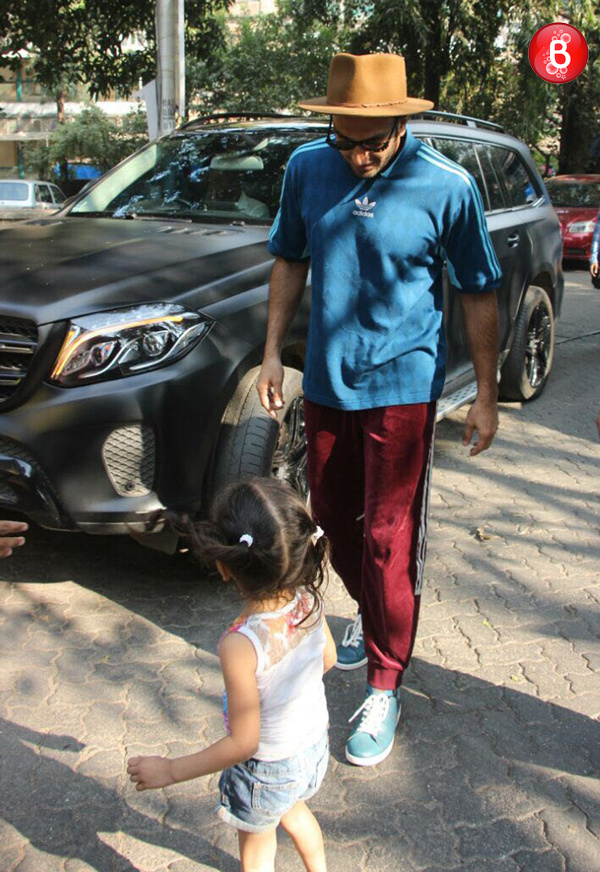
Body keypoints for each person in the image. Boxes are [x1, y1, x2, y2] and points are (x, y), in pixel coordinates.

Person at [257, 53, 502, 766]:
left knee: (390, 535)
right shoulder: (308, 167)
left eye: (375, 140)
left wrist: (485, 395)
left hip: (403, 386)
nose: (359, 154)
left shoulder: (447, 186)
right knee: (332, 520)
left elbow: (480, 289)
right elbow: (288, 258)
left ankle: (386, 680)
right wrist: (275, 351)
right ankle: (375, 614)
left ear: (403, 123)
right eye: (347, 139)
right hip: (329, 384)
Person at [128, 477, 336, 872]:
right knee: (295, 812)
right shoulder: (309, 599)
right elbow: (328, 660)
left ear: (226, 566)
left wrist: (170, 770)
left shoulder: (240, 645)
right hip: (310, 750)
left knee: (258, 850)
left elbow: (244, 743)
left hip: (267, 768)